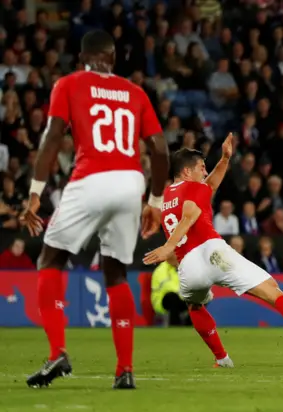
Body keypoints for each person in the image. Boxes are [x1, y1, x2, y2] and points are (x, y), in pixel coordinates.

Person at [20, 30, 170, 389]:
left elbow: (53, 136)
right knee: (116, 273)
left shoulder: (69, 84)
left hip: (91, 179)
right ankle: (125, 370)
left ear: (81, 58)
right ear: (113, 59)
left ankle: (58, 350)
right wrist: (155, 202)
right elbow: (161, 150)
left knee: (50, 260)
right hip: (131, 182)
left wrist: (35, 193)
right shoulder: (135, 92)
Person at [143, 134, 283, 368]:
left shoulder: (167, 196)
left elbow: (209, 186)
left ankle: (222, 359)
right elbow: (192, 212)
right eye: (201, 168)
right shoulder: (194, 188)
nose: (204, 171)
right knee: (273, 292)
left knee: (195, 306)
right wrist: (169, 246)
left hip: (188, 267)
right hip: (214, 252)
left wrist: (225, 159)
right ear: (187, 172)